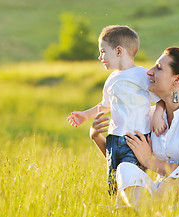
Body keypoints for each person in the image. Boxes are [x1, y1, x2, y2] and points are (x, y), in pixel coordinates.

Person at [90, 47, 179, 208]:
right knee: (126, 168)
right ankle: (147, 210)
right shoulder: (149, 115)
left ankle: (142, 209)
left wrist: (148, 160)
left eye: (158, 68)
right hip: (163, 194)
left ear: (177, 80)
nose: (149, 72)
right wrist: (96, 136)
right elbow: (126, 155)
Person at [67, 25, 166, 195]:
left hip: (135, 140)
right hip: (113, 140)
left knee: (132, 181)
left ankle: (138, 210)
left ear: (119, 51)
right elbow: (105, 105)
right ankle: (119, 214)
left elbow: (161, 99)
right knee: (113, 185)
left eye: (103, 51)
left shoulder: (142, 75)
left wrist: (157, 116)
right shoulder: (111, 79)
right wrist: (85, 115)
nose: (100, 57)